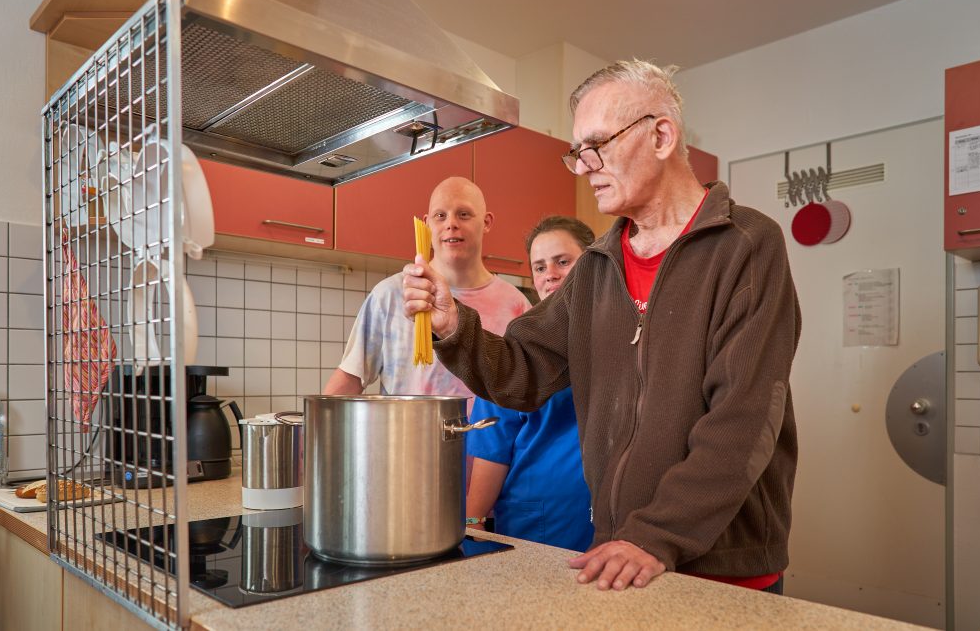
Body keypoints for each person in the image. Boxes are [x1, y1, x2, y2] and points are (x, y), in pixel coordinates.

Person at [402, 60, 800, 593]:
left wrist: (657, 534)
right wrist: (455, 327)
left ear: (661, 136)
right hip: (622, 555)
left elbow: (744, 415)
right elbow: (522, 372)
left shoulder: (747, 245)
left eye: (597, 145)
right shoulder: (595, 266)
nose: (584, 165)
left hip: (722, 567)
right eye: (577, 152)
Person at [324, 176, 531, 399]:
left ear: (487, 222)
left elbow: (527, 388)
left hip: (490, 433)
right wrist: (316, 427)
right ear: (427, 224)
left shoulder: (516, 305)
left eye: (464, 214)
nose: (451, 223)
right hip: (409, 433)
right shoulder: (392, 295)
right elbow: (350, 379)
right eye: (440, 216)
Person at [465, 216, 596, 552]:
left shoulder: (622, 339)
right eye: (539, 267)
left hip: (611, 526)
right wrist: (472, 523)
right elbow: (492, 447)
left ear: (595, 262)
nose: (549, 273)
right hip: (538, 525)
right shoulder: (516, 349)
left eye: (563, 261)